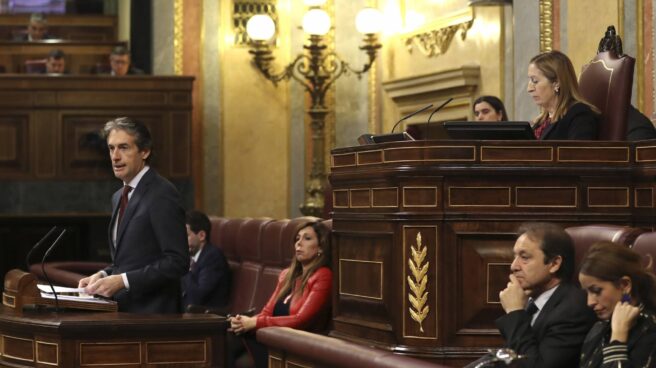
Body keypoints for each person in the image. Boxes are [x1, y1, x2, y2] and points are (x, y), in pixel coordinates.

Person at [78, 117, 188, 313]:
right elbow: (131, 260)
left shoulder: (161, 193)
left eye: (124, 148)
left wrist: (123, 281)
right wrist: (105, 274)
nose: (115, 157)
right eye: (111, 148)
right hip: (124, 312)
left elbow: (177, 262)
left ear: (145, 151)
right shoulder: (119, 196)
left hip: (154, 316)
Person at [229, 221, 332, 368]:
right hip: (273, 341)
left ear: (321, 246)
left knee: (238, 357)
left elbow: (300, 320)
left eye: (307, 238)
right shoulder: (286, 275)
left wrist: (254, 323)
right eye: (297, 238)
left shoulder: (323, 275)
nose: (299, 243)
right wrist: (244, 322)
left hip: (296, 348)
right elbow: (267, 312)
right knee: (228, 339)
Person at [494, 223, 596, 367]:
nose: (513, 266)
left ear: (554, 263)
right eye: (515, 256)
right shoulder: (533, 301)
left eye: (525, 257)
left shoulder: (574, 310)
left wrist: (515, 312)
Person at [578, 241, 656, 367]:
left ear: (624, 285)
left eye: (596, 291)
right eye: (586, 293)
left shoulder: (651, 331)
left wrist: (618, 338)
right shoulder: (599, 327)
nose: (589, 302)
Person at [528, 50, 600, 140]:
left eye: (535, 81)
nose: (529, 89)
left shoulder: (580, 116)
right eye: (530, 80)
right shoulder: (542, 120)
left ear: (557, 83)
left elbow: (577, 153)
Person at [182, 210, 231, 310]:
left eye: (186, 235)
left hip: (206, 317)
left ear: (201, 236)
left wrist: (182, 265)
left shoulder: (213, 257)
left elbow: (197, 297)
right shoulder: (192, 256)